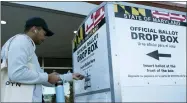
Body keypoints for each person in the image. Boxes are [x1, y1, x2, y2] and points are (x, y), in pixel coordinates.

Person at [1, 17, 84, 102]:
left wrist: (70, 76)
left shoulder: (28, 48)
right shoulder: (21, 41)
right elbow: (16, 73)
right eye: (44, 34)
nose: (44, 39)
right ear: (34, 29)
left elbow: (42, 79)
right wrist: (47, 77)